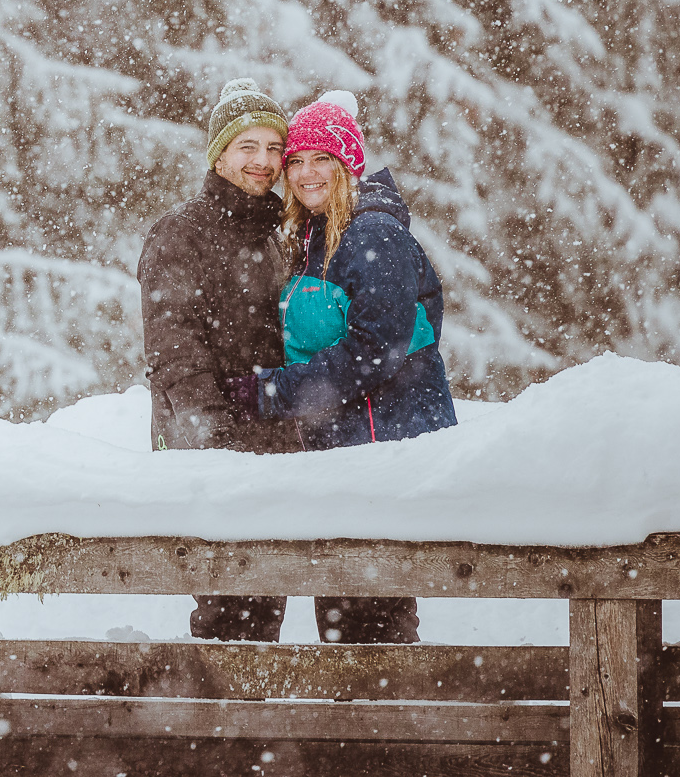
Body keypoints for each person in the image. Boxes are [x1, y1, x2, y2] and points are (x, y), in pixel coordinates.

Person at [221, 91, 458, 644]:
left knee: (373, 624)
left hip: (382, 453)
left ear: (349, 164)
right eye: (296, 160)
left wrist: (273, 392)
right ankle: (358, 726)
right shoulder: (317, 236)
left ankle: (386, 725)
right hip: (343, 455)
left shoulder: (372, 233)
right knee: (345, 622)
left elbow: (377, 350)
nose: (305, 172)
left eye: (321, 158)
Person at [139, 77, 301, 642]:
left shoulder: (277, 234)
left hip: (271, 441)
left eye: (275, 148)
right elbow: (173, 347)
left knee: (262, 607)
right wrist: (214, 433)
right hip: (212, 447)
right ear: (220, 154)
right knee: (228, 608)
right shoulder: (181, 232)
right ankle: (218, 727)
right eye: (248, 147)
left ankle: (253, 726)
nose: (264, 162)